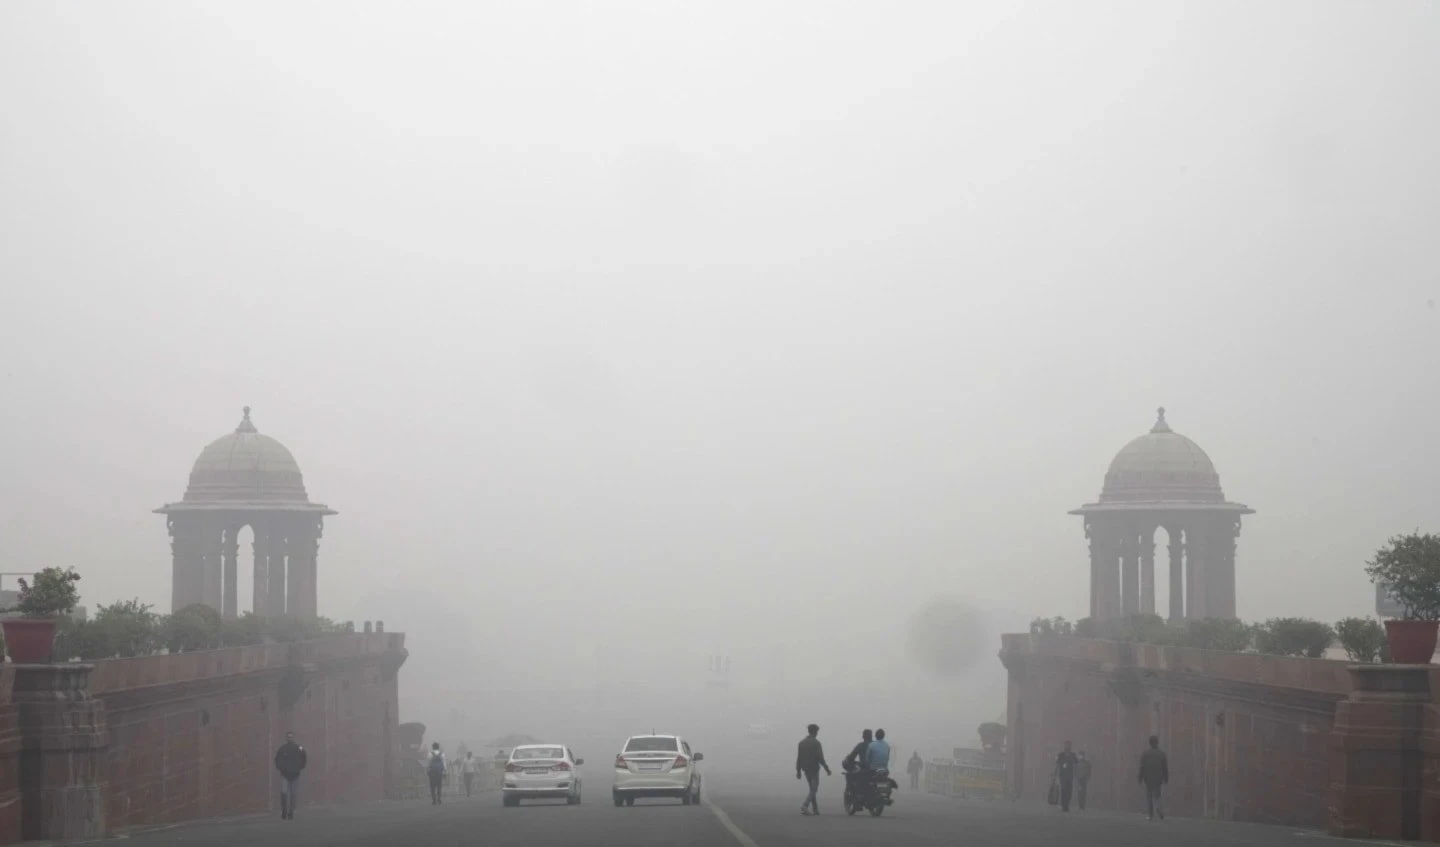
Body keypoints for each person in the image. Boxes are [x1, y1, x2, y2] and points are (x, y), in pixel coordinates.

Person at [795, 723, 832, 815]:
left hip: (805, 769)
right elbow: (820, 758)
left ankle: (815, 809)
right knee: (814, 789)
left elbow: (799, 758)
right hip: (814, 769)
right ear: (815, 732)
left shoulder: (801, 743)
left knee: (812, 789)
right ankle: (805, 805)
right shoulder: (816, 743)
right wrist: (827, 769)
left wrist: (798, 771)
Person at [273, 731, 307, 820]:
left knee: (293, 794)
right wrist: (281, 769)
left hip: (295, 775)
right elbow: (277, 760)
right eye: (288, 737)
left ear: (293, 738)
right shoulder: (282, 749)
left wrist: (299, 768)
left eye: (291, 737)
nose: (290, 738)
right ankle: (284, 810)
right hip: (285, 775)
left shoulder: (299, 748)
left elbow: (304, 759)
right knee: (284, 793)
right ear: (286, 738)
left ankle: (290, 812)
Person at [1138, 735, 1169, 820]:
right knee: (1157, 795)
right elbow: (1165, 767)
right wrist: (1166, 778)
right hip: (1158, 778)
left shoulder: (1145, 754)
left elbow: (1142, 767)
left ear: (1150, 743)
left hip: (1148, 778)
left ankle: (1150, 815)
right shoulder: (1162, 754)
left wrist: (1140, 777)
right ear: (1157, 743)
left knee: (1149, 797)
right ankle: (1159, 808)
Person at [1052, 741, 1078, 812]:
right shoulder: (1061, 755)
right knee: (1063, 790)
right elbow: (1057, 765)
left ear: (1070, 746)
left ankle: (1066, 804)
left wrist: (1076, 775)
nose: (1067, 747)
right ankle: (1064, 806)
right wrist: (1055, 774)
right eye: (1066, 745)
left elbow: (1076, 765)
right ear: (1064, 746)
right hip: (1062, 776)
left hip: (1070, 776)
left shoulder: (1073, 755)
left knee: (1069, 792)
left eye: (1069, 745)